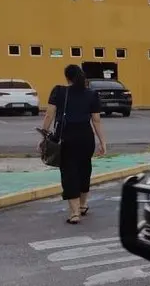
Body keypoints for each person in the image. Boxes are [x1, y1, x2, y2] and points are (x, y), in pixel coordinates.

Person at [40, 65, 107, 224]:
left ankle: (74, 213)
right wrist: (102, 142)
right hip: (86, 137)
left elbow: (49, 115)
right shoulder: (91, 94)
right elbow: (96, 120)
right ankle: (83, 205)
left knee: (69, 172)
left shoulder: (59, 91)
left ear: (67, 77)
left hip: (66, 138)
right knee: (85, 169)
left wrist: (44, 136)